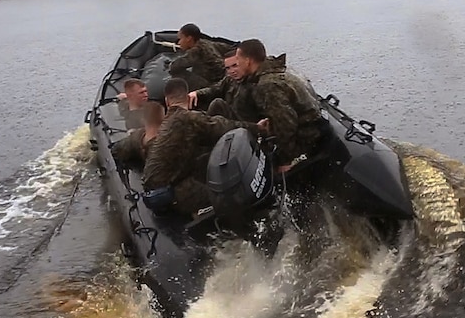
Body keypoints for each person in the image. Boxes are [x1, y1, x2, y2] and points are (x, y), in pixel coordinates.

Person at [143, 77, 268, 218]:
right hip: (169, 193)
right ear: (187, 96)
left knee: (205, 159)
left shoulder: (167, 123)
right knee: (229, 198)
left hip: (155, 188)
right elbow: (221, 126)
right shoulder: (188, 119)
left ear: (167, 101)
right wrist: (256, 128)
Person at [233, 39, 326, 173]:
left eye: (238, 59)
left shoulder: (267, 85)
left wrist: (285, 160)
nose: (237, 63)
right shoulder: (277, 69)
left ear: (248, 61)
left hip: (308, 135)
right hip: (313, 126)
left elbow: (286, 124)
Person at [168, 23, 226, 91]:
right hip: (223, 78)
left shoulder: (196, 50)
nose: (178, 43)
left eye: (180, 39)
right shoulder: (206, 43)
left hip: (213, 84)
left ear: (189, 38)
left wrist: (170, 64)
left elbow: (176, 66)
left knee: (178, 73)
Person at [110, 97, 166, 165]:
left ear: (143, 120)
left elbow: (115, 151)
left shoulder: (134, 139)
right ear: (164, 119)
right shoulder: (170, 140)